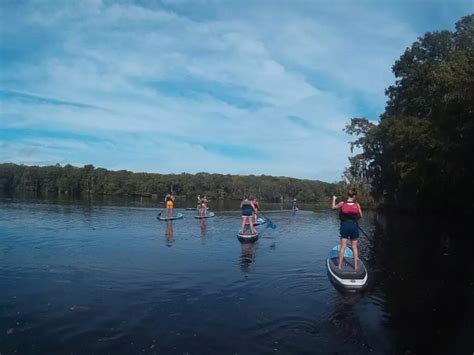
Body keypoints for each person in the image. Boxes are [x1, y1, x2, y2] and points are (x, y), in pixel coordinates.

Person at [332, 187, 363, 270]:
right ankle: (356, 267)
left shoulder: (342, 203)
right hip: (354, 226)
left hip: (345, 226)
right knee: (355, 247)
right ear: (354, 196)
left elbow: (333, 208)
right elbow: (360, 216)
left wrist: (334, 199)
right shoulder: (357, 204)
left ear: (348, 195)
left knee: (343, 247)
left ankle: (339, 266)